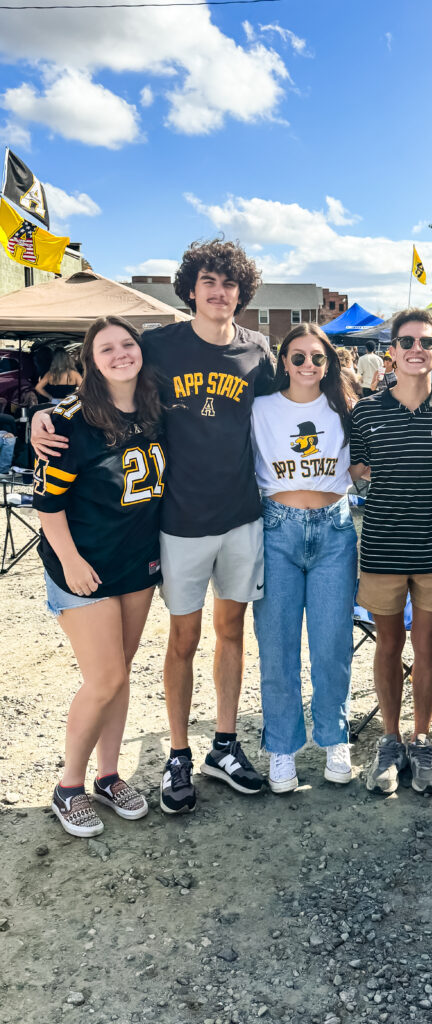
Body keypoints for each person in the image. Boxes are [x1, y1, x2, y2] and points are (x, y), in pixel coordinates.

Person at [32, 239, 275, 815]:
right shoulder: (156, 345)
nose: (219, 293)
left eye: (230, 284)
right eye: (208, 282)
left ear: (243, 292)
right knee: (168, 648)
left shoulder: (259, 353)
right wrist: (44, 414)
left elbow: (295, 403)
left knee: (226, 636)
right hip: (176, 528)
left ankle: (216, 746)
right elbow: (103, 377)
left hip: (233, 520)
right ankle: (171, 757)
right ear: (189, 288)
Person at [33, 316, 164, 837]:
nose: (119, 354)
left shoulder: (157, 407)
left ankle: (109, 775)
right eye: (105, 348)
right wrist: (68, 560)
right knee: (104, 676)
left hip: (136, 560)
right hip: (83, 563)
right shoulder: (69, 418)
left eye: (127, 344)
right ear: (90, 359)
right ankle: (69, 785)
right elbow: (47, 503)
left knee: (122, 671)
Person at [350, 308, 432, 797]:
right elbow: (356, 467)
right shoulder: (367, 411)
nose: (417, 349)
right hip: (382, 546)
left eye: (427, 342)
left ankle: (422, 740)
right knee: (388, 644)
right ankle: (389, 740)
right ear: (391, 351)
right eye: (407, 341)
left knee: (427, 644)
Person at [251, 324, 357, 792]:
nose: (308, 366)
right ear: (284, 363)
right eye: (298, 357)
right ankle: (281, 748)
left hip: (334, 529)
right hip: (276, 529)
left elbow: (369, 461)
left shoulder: (346, 408)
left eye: (318, 357)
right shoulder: (260, 409)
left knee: (332, 644)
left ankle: (335, 738)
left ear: (330, 362)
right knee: (277, 647)